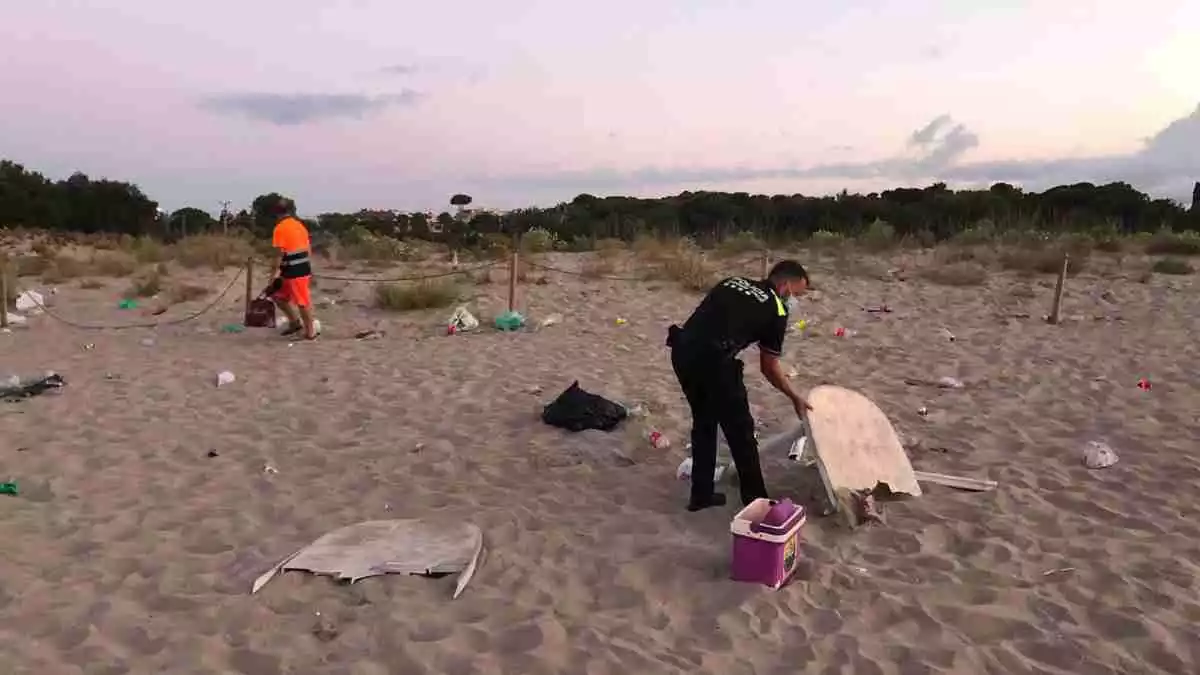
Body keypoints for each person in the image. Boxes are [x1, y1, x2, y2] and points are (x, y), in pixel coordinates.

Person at [667, 260, 811, 512]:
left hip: (682, 350)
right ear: (786, 285)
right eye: (797, 294)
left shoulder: (733, 281)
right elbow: (769, 367)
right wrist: (794, 396)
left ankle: (701, 495)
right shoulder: (777, 309)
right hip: (714, 362)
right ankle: (757, 503)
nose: (794, 300)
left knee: (704, 422)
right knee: (741, 433)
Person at [267, 198, 318, 340]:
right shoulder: (300, 226)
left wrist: (272, 277)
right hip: (294, 269)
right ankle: (295, 323)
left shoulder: (280, 229)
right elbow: (308, 248)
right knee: (278, 296)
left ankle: (310, 332)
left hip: (296, 270)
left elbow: (278, 255)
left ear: (276, 213)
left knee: (302, 302)